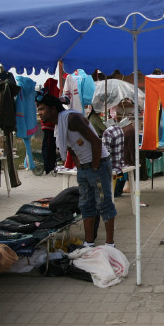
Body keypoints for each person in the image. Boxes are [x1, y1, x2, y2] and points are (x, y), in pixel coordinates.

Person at [36, 90, 116, 247]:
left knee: (104, 204)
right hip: (85, 169)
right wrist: (80, 167)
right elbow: (71, 147)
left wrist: (93, 167)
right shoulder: (59, 124)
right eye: (38, 109)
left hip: (98, 166)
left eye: (42, 108)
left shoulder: (71, 118)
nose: (40, 113)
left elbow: (96, 142)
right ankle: (89, 243)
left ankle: (110, 244)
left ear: (53, 109)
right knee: (86, 205)